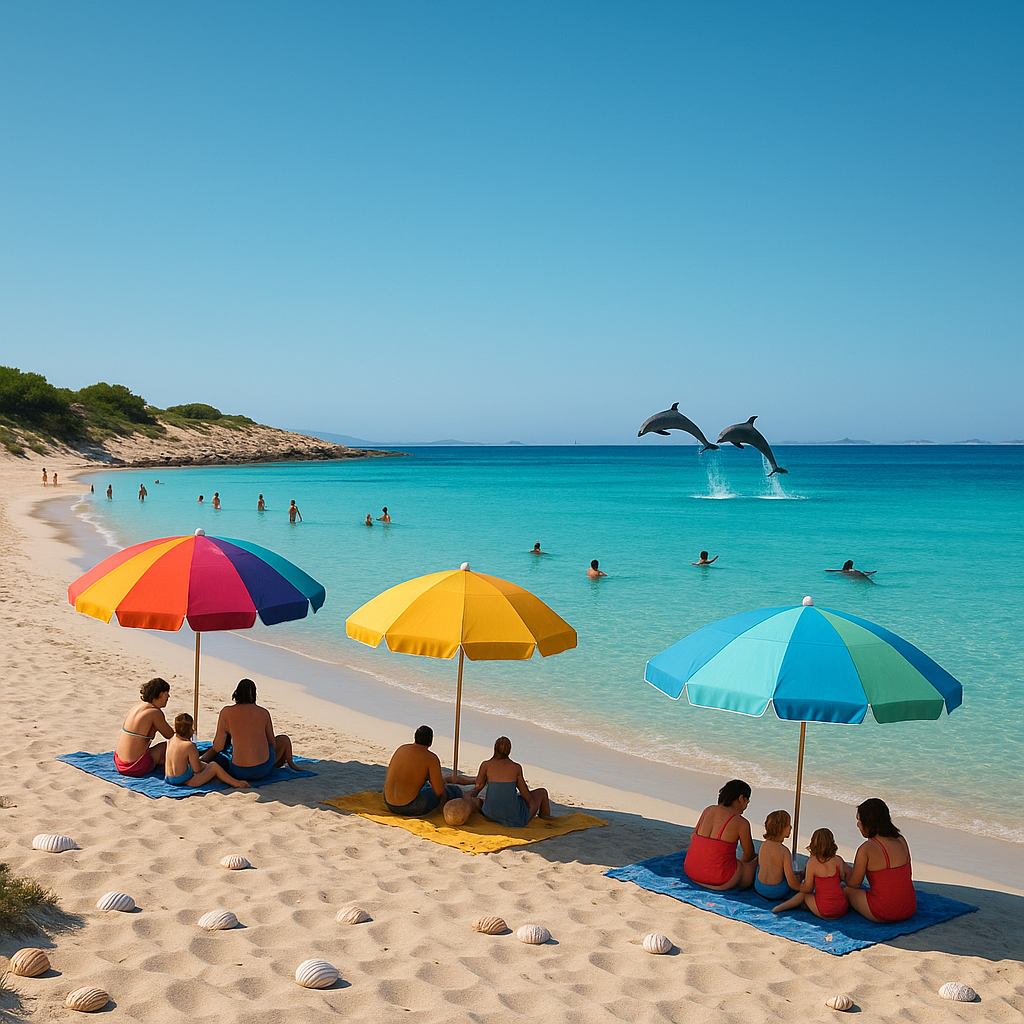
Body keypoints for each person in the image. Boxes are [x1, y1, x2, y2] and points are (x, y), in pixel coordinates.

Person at [202, 679, 297, 781]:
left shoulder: (226, 712)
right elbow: (272, 742)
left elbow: (218, 746)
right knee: (282, 740)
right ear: (255, 694)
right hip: (263, 770)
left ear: (236, 693)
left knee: (227, 751)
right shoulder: (263, 713)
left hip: (239, 771)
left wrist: (203, 759)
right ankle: (290, 763)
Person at [844, 798, 917, 922]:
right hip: (909, 908)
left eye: (859, 820)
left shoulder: (866, 849)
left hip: (882, 911)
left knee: (846, 891)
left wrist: (844, 871)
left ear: (868, 823)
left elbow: (854, 884)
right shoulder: (901, 840)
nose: (858, 824)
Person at [684, 779, 757, 890]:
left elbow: (693, 836)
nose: (746, 806)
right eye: (747, 802)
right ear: (741, 798)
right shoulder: (741, 823)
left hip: (691, 870)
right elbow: (749, 854)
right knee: (755, 862)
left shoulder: (708, 810)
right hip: (720, 879)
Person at [469, 736, 550, 827]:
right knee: (542, 792)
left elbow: (478, 786)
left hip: (490, 814)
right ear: (509, 750)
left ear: (495, 748)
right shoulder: (516, 767)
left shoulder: (486, 765)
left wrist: (472, 794)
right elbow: (525, 794)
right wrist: (531, 804)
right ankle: (546, 820)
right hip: (512, 815)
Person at [383, 725, 463, 816]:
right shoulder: (431, 758)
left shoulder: (401, 749)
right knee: (454, 791)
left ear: (415, 737)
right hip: (410, 806)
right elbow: (439, 791)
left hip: (389, 802)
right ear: (430, 742)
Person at [773, 827, 849, 919]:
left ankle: (779, 908)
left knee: (803, 896)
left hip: (825, 911)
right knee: (842, 889)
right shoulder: (838, 860)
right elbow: (841, 877)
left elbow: (808, 889)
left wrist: (799, 885)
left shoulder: (812, 863)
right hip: (841, 909)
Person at [164, 713, 249, 790]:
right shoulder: (189, 746)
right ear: (190, 730)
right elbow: (197, 769)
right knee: (214, 766)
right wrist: (205, 766)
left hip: (169, 777)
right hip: (185, 780)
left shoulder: (171, 740)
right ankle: (236, 783)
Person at [114, 678, 173, 776]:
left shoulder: (136, 707)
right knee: (167, 747)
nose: (168, 697)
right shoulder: (155, 713)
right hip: (134, 767)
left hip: (119, 762)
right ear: (161, 694)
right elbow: (170, 735)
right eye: (167, 693)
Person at [754, 810, 801, 902]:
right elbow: (792, 884)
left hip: (759, 886)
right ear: (781, 829)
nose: (791, 827)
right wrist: (801, 886)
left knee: (760, 868)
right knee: (791, 877)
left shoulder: (763, 845)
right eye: (788, 825)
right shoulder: (784, 851)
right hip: (776, 891)